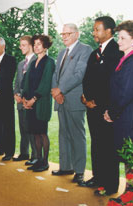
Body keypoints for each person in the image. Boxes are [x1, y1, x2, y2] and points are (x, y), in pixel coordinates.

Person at [81, 16, 123, 195]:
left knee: (108, 146)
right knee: (97, 143)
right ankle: (97, 177)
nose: (94, 32)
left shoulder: (117, 52)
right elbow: (87, 78)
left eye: (97, 29)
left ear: (109, 31)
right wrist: (85, 97)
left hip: (105, 108)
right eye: (93, 29)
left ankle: (110, 185)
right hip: (91, 107)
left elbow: (112, 82)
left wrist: (97, 101)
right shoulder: (94, 53)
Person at [104, 20, 133, 201]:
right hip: (122, 116)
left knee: (130, 158)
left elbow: (127, 92)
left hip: (129, 117)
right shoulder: (124, 60)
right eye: (118, 37)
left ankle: (131, 196)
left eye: (122, 38)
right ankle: (129, 194)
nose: (118, 41)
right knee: (126, 157)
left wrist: (112, 113)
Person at [51, 23, 92, 183]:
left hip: (75, 99)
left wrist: (60, 90)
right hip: (60, 99)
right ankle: (65, 167)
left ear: (76, 34)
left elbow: (79, 74)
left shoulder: (85, 49)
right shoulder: (61, 53)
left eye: (67, 33)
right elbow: (55, 73)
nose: (64, 36)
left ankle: (80, 171)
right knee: (63, 134)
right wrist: (56, 92)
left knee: (77, 135)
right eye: (62, 34)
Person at [22, 34, 55, 172]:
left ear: (45, 46)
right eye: (34, 44)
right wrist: (24, 98)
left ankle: (45, 162)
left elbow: (46, 84)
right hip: (30, 103)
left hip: (41, 103)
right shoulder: (33, 61)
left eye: (39, 44)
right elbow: (26, 81)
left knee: (42, 132)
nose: (36, 47)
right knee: (35, 132)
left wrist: (33, 100)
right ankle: (38, 159)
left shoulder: (49, 62)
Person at [13, 35, 38, 165]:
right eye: (20, 45)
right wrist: (16, 94)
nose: (20, 47)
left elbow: (35, 83)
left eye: (23, 45)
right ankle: (24, 153)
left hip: (30, 102)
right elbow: (17, 82)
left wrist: (26, 98)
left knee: (32, 129)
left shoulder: (37, 60)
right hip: (20, 102)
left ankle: (35, 156)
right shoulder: (21, 64)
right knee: (23, 128)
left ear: (30, 46)